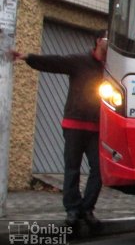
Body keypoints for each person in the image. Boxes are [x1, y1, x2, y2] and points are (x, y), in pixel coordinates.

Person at [11, 29, 108, 229]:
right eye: (108, 38)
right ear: (98, 41)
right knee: (71, 169)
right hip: (74, 124)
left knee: (99, 169)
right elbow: (54, 62)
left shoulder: (110, 68)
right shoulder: (80, 61)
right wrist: (28, 57)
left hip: (97, 128)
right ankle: (72, 210)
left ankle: (87, 209)